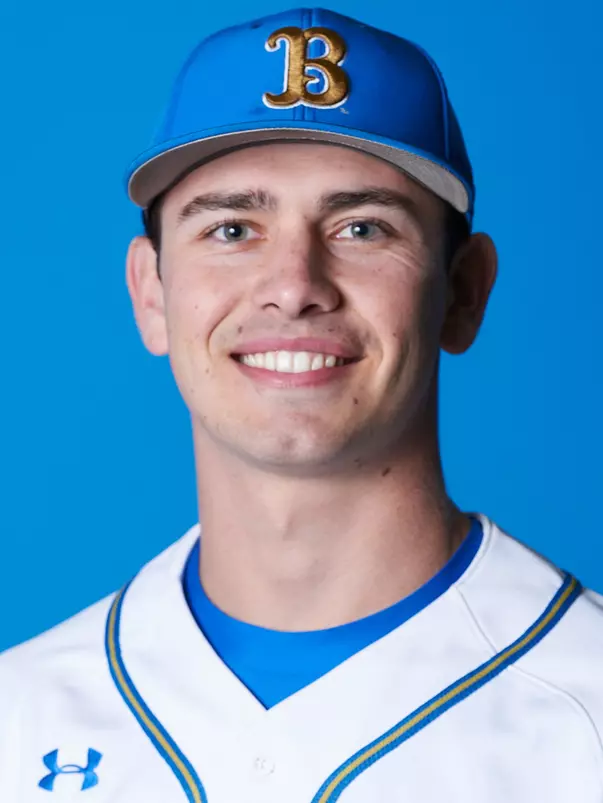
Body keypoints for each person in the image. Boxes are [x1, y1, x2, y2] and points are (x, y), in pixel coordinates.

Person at [1, 7, 602, 802]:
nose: (293, 286)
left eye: (361, 226)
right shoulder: (20, 717)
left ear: (463, 293)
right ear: (150, 292)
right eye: (230, 229)